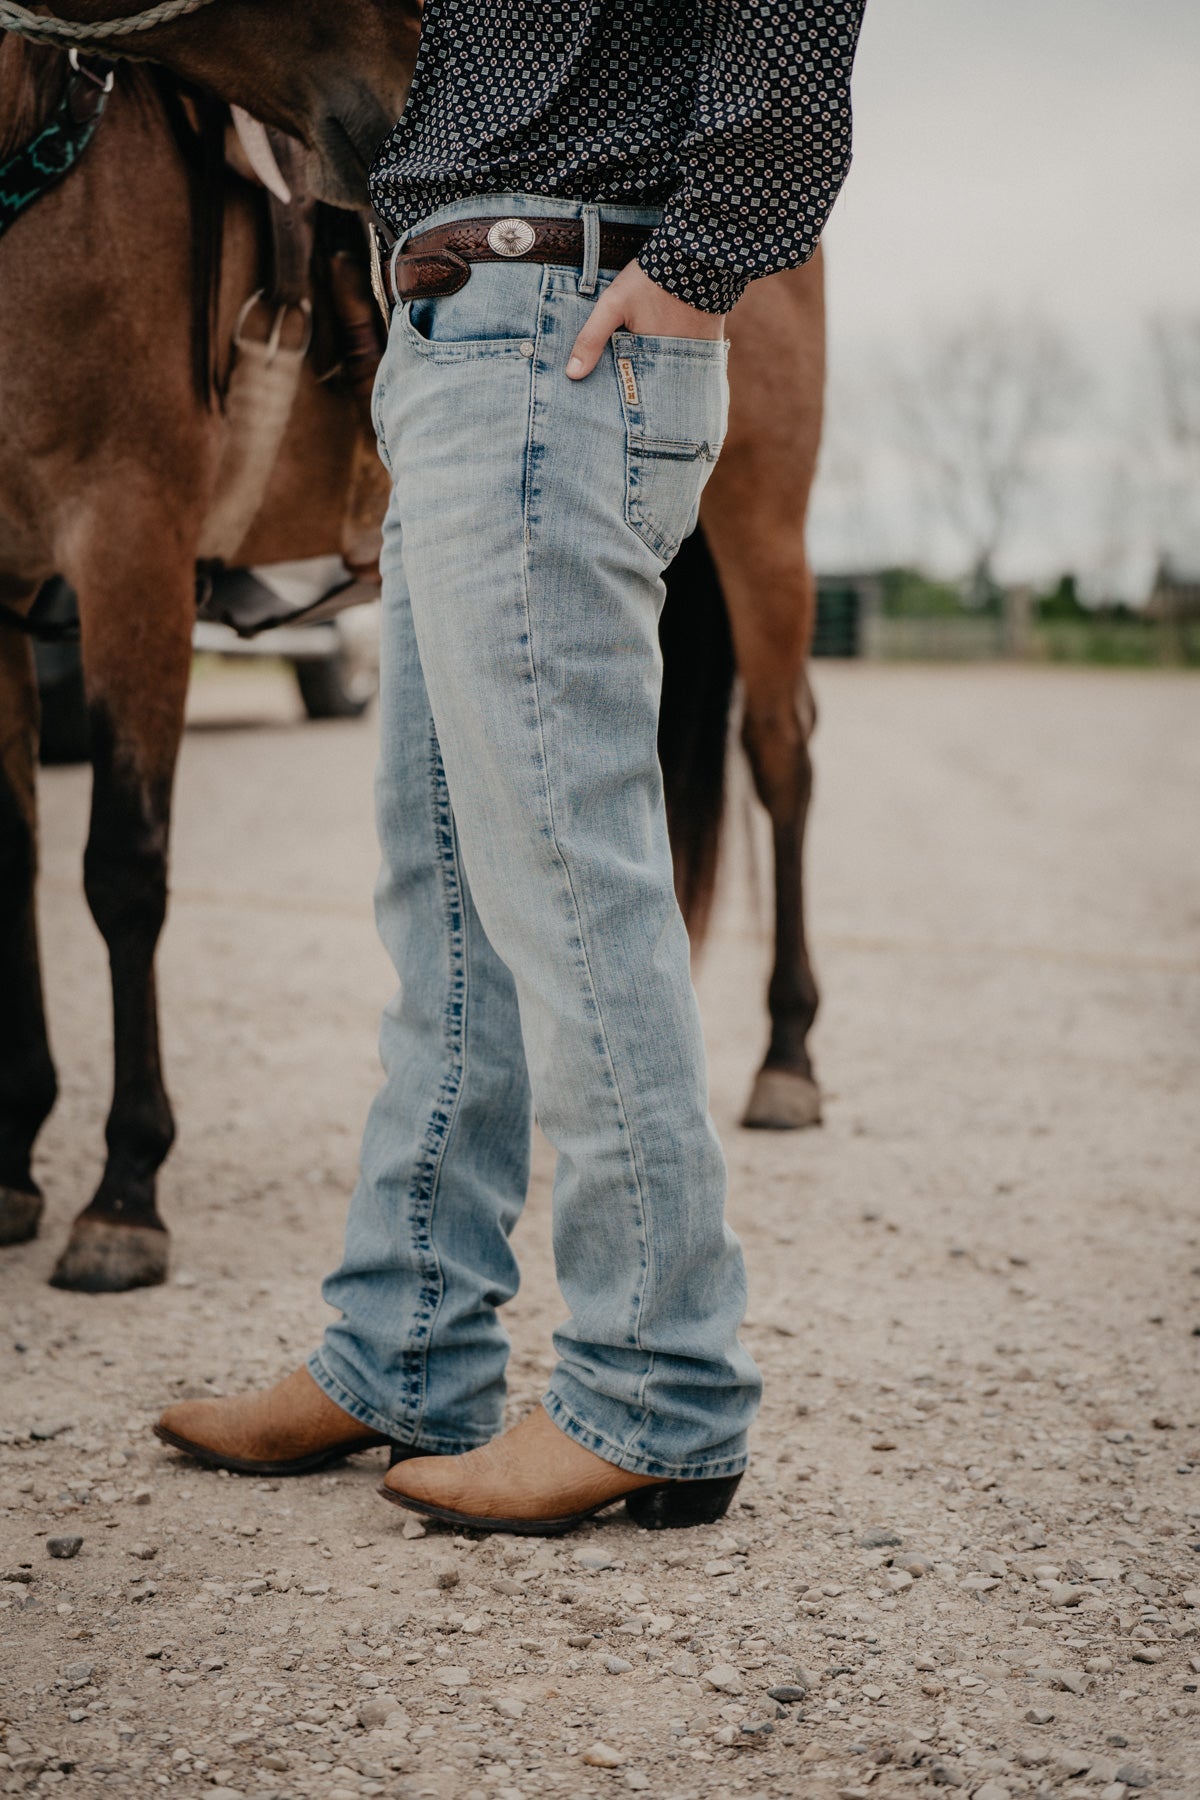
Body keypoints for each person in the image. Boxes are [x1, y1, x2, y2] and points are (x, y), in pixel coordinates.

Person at [156, 0, 865, 1535]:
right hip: (455, 336)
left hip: (561, 313)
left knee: (567, 871)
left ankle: (657, 1386)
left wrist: (698, 262)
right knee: (447, 892)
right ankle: (403, 1342)